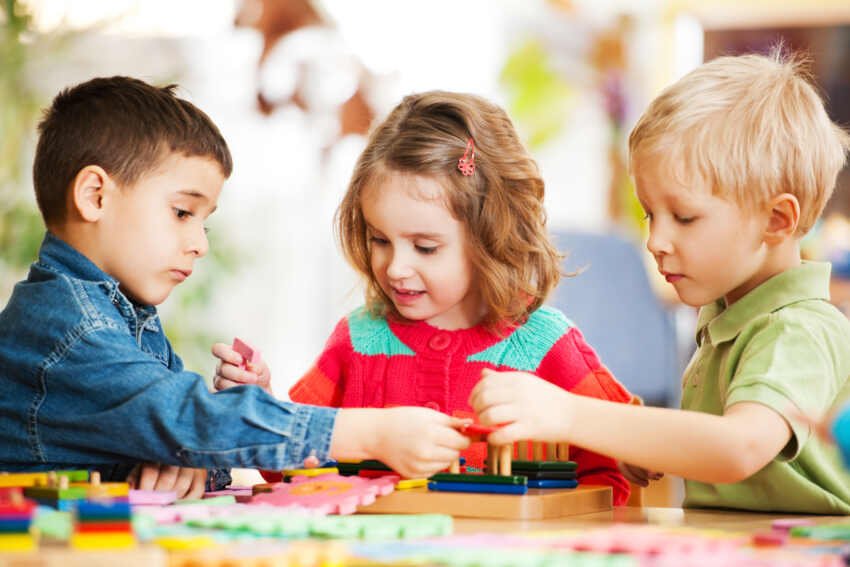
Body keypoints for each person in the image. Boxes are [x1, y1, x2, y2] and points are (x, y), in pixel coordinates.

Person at [0, 76, 469, 499]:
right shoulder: (68, 330)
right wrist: (371, 433)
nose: (200, 244)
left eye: (203, 222)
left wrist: (189, 460)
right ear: (95, 196)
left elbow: (186, 435)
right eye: (182, 213)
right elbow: (189, 418)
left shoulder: (123, 316)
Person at [470, 50, 850, 513]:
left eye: (684, 217)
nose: (656, 241)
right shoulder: (728, 319)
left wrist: (568, 414)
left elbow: (739, 447)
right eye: (651, 215)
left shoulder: (798, 328)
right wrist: (648, 446)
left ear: (776, 220)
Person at [214, 91, 635, 505]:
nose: (396, 267)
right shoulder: (359, 339)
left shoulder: (546, 344)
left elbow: (612, 476)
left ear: (491, 235)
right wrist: (261, 402)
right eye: (380, 240)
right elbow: (292, 464)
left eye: (425, 247)